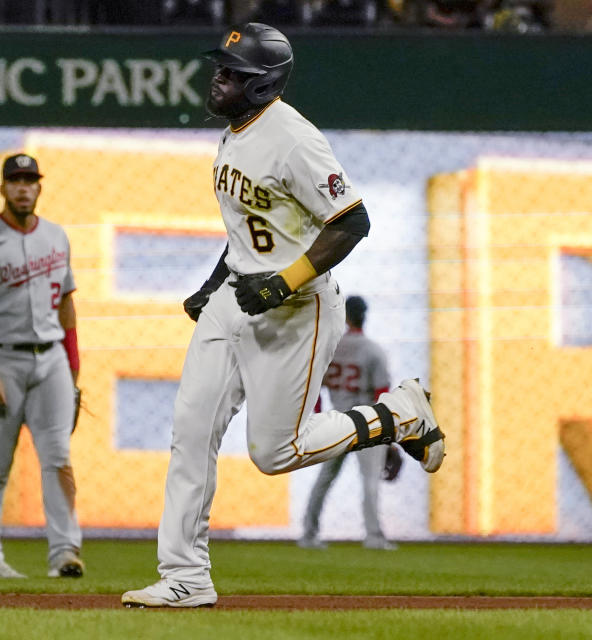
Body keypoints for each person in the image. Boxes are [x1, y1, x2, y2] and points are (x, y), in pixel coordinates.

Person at [121, 23, 445, 609]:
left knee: (275, 454)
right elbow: (250, 229)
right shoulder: (235, 132)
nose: (218, 77)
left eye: (233, 72)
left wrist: (282, 284)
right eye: (219, 67)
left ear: (265, 84)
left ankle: (396, 414)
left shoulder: (293, 138)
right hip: (236, 300)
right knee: (190, 434)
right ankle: (186, 576)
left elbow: (351, 221)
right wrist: (212, 286)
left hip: (298, 307)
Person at [0, 153, 84, 579]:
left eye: (30, 180)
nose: (23, 187)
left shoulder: (57, 237)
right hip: (0, 359)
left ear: (39, 187)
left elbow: (66, 305)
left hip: (51, 360)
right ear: (3, 188)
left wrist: (74, 371)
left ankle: (65, 553)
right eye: (16, 181)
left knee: (59, 458)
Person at [298, 296, 404, 551]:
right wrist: (388, 438)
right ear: (364, 315)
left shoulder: (331, 348)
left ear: (345, 316)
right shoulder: (373, 350)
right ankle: (374, 537)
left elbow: (313, 390)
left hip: (337, 422)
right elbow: (382, 396)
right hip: (368, 423)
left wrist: (317, 421)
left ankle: (309, 535)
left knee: (325, 479)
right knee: (369, 481)